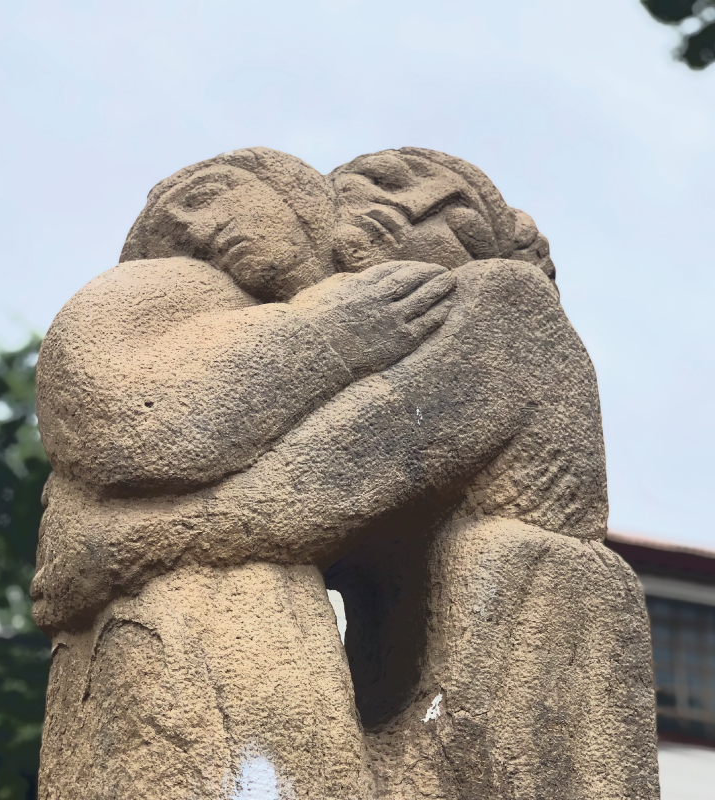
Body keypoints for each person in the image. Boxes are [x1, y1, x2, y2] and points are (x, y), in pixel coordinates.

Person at [34, 148, 657, 799]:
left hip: (509, 677)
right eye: (378, 186)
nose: (409, 207)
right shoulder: (325, 316)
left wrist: (126, 545)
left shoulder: (508, 311)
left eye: (450, 216)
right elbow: (151, 429)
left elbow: (329, 482)